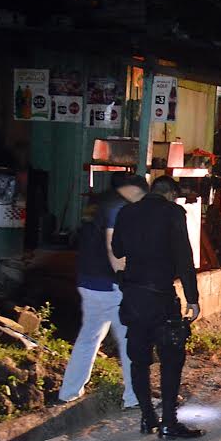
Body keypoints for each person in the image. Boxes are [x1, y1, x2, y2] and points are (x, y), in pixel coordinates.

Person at [112, 175, 204, 438]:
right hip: (161, 298)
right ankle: (169, 422)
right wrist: (192, 298)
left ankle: (147, 418)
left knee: (138, 360)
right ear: (171, 194)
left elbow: (117, 250)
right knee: (171, 359)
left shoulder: (126, 212)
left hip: (132, 298)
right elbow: (183, 257)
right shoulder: (173, 212)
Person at [58, 174, 149, 409]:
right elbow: (112, 247)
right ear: (129, 190)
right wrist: (126, 279)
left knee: (89, 337)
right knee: (131, 339)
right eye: (139, 195)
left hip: (88, 282)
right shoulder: (117, 208)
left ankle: (68, 392)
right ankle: (134, 397)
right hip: (110, 286)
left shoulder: (99, 204)